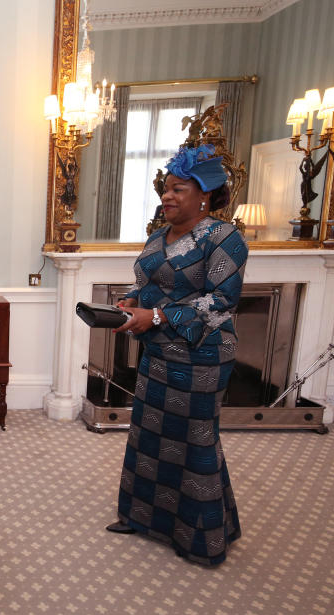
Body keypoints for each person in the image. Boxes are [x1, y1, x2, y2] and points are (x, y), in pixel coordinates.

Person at [107, 143, 248, 567]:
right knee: (148, 433)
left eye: (179, 189)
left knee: (193, 440)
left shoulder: (224, 238)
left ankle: (200, 538)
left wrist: (157, 314)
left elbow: (222, 301)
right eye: (166, 189)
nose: (167, 196)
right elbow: (148, 286)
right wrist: (131, 303)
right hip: (157, 351)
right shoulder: (156, 236)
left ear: (205, 194)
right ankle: (141, 517)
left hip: (202, 355)